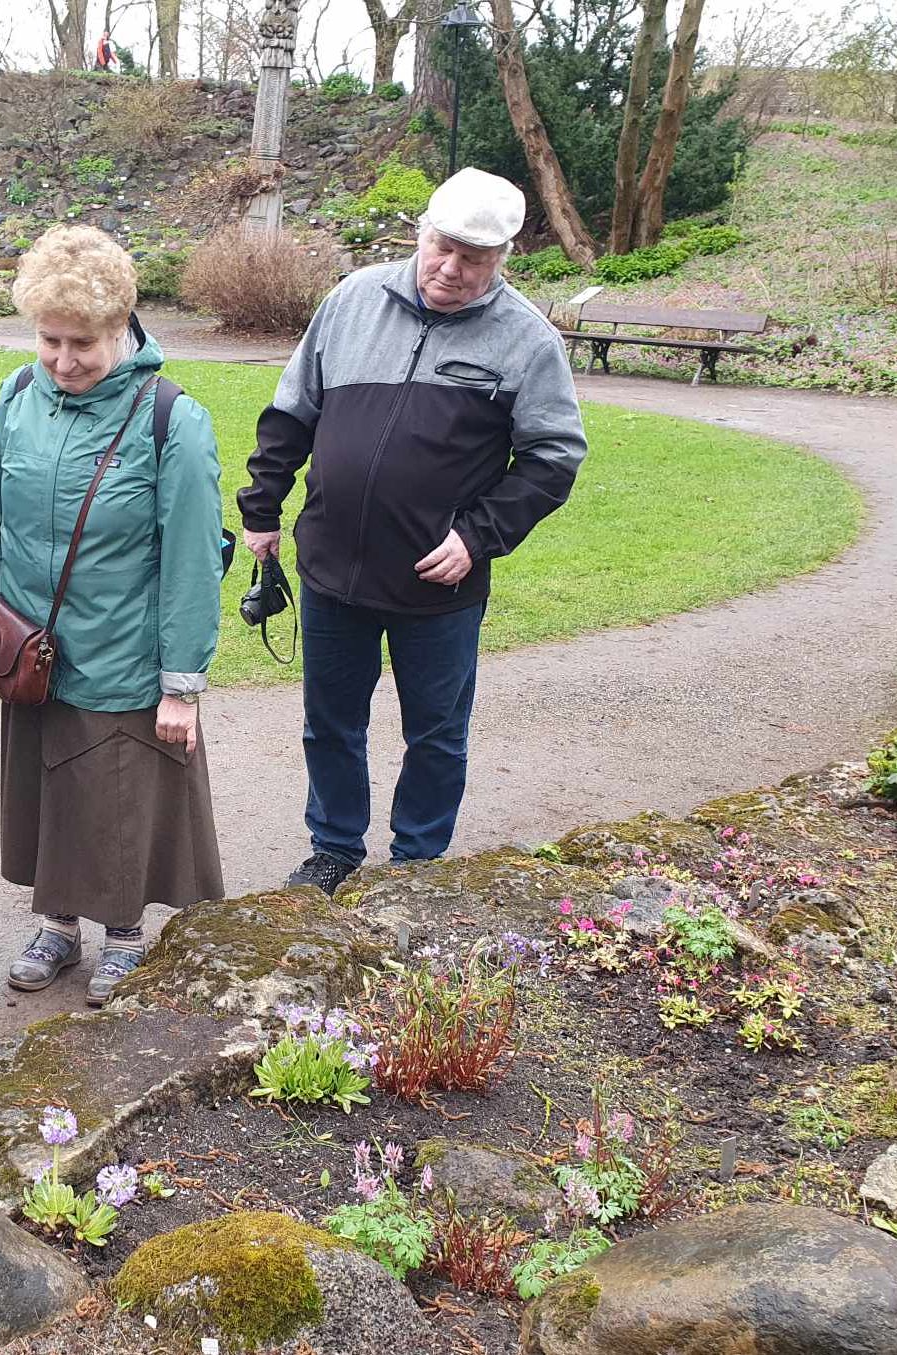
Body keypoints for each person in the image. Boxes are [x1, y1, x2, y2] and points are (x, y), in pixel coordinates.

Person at [235, 167, 588, 896]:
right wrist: (262, 510)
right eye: (442, 248)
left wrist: (479, 536)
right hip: (332, 565)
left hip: (440, 581)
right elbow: (292, 410)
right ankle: (334, 847)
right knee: (330, 723)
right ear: (420, 234)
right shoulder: (353, 299)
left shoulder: (525, 339)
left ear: (502, 261)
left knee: (434, 733)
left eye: (474, 260)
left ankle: (417, 865)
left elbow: (555, 457)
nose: (451, 270)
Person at [0, 224, 225, 1005]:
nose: (61, 360)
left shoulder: (171, 419)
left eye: (81, 342)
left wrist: (181, 681)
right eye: (49, 340)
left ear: (121, 326)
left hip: (122, 652)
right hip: (36, 652)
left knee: (118, 801)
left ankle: (124, 933)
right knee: (47, 794)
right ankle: (57, 925)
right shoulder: (18, 399)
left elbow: (190, 560)